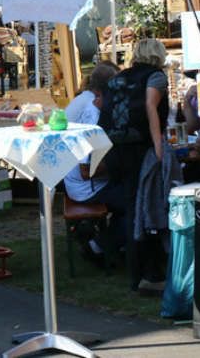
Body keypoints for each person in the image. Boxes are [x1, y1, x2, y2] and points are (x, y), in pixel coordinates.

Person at [98, 38, 169, 293]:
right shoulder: (156, 77)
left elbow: (103, 112)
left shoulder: (117, 78)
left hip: (115, 149)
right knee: (147, 207)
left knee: (130, 209)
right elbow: (151, 106)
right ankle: (149, 272)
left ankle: (135, 273)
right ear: (157, 55)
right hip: (140, 148)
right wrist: (158, 145)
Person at [63, 62, 125, 264]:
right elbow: (86, 170)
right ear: (102, 92)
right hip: (84, 187)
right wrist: (121, 165)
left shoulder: (91, 105)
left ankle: (111, 243)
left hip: (78, 182)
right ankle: (98, 246)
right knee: (135, 200)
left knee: (134, 193)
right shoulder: (93, 115)